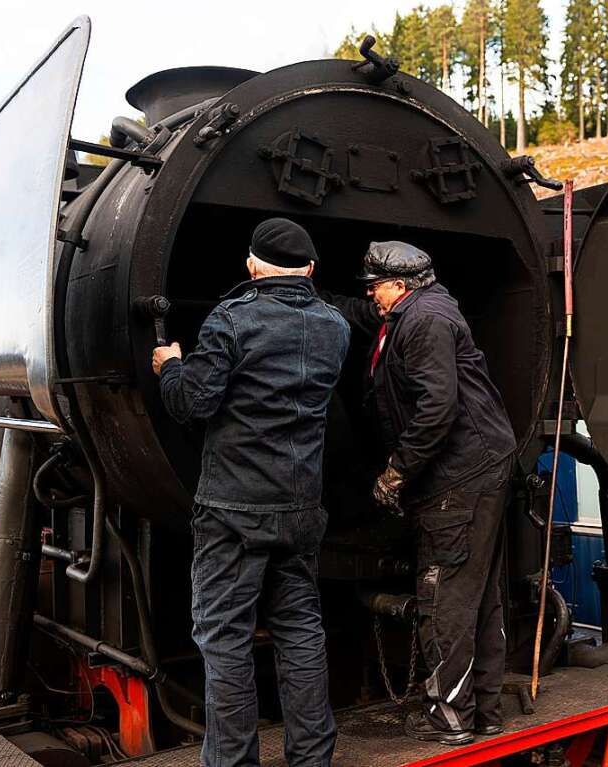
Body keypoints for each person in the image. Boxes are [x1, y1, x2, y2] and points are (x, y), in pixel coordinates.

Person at [152, 218, 349, 767]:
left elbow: (194, 404)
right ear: (310, 270)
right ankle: (312, 758)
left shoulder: (231, 320)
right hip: (301, 506)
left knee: (225, 636)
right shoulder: (335, 326)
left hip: (234, 509)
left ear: (252, 266)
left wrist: (171, 367)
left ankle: (234, 762)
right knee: (301, 630)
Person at [323, 242, 516, 746]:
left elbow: (437, 407)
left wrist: (397, 471)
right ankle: (485, 713)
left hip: (459, 475)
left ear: (400, 286)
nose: (371, 295)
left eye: (376, 286)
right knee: (479, 593)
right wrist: (311, 293)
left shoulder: (424, 323)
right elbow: (364, 315)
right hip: (480, 465)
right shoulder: (414, 308)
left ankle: (450, 719)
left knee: (445, 596)